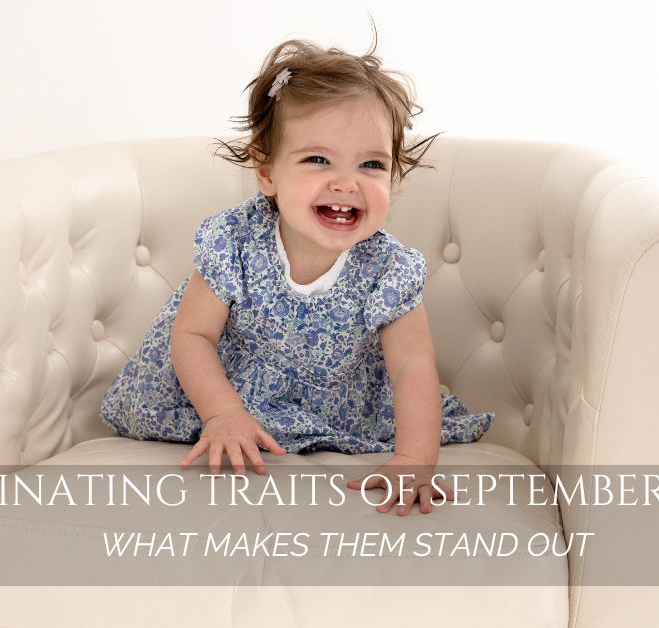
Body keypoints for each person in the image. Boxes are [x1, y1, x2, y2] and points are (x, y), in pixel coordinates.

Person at [99, 32, 493, 515]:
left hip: (340, 400)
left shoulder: (389, 269)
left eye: (371, 164)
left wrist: (414, 458)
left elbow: (413, 366)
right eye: (317, 159)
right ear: (266, 172)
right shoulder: (235, 242)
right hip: (230, 388)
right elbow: (193, 335)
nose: (346, 182)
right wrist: (222, 414)